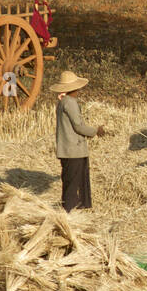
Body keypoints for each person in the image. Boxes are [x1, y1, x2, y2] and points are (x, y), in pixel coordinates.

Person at [52, 70, 107, 212]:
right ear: (74, 88)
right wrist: (96, 131)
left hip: (69, 150)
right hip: (73, 151)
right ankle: (70, 211)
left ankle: (73, 208)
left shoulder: (63, 102)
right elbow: (78, 126)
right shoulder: (70, 103)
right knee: (74, 184)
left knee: (71, 181)